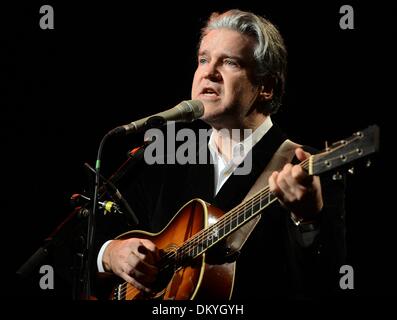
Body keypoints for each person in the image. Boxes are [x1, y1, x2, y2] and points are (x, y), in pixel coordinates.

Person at [93, 9, 346, 300]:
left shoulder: (303, 166)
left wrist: (309, 220)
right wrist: (111, 254)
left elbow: (326, 285)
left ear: (266, 87)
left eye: (229, 62)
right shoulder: (163, 157)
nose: (208, 72)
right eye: (203, 59)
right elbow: (80, 243)